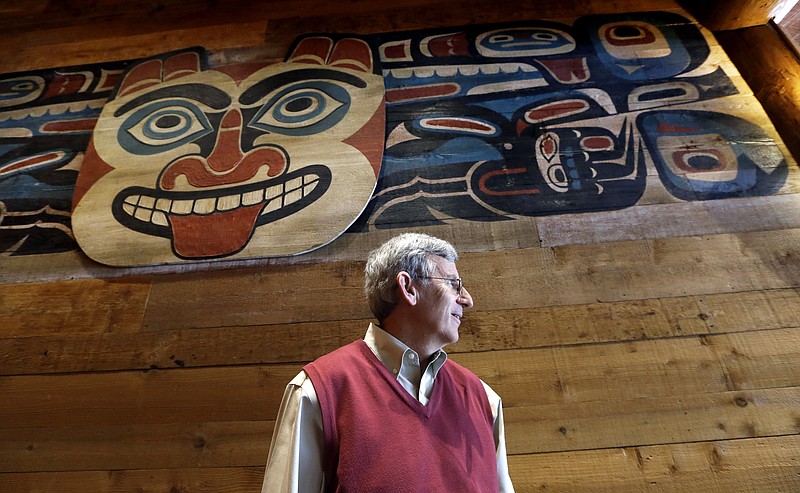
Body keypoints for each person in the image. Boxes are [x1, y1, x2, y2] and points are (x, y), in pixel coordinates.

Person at [262, 232, 515, 492]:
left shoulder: (485, 401)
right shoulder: (318, 391)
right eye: (453, 283)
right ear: (408, 288)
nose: (467, 299)